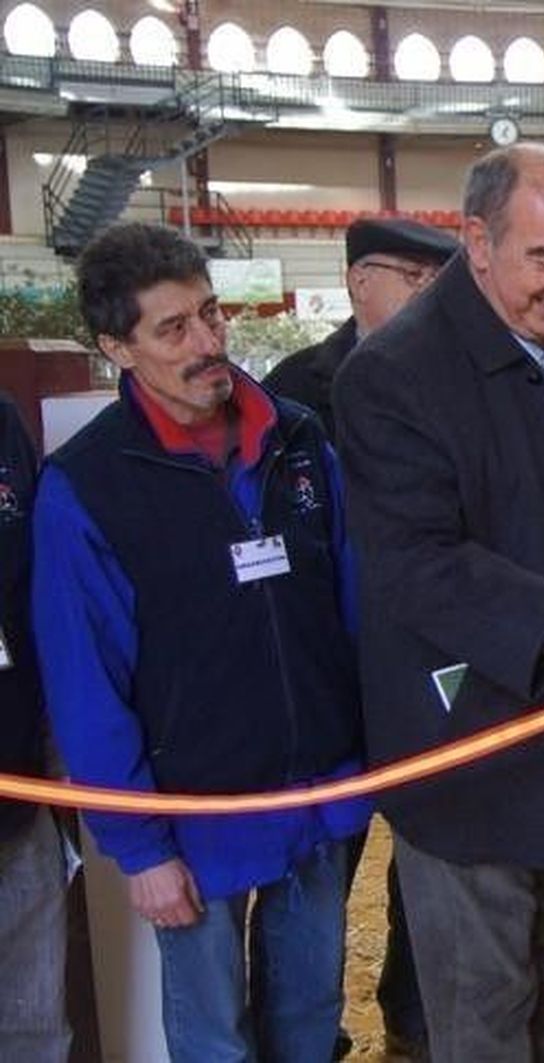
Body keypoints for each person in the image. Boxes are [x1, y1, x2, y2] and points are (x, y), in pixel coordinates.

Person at [332, 142, 544, 1061]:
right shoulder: (393, 376)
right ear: (475, 243)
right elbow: (415, 563)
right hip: (466, 752)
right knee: (481, 1000)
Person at [33, 222, 370, 1061]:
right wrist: (141, 848)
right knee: (213, 1033)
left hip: (317, 795)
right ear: (117, 345)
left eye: (211, 315)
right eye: (173, 328)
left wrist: (364, 754)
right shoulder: (86, 486)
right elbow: (85, 682)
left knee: (309, 1014)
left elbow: (354, 603)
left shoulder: (296, 437)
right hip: (194, 818)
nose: (208, 342)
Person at [265, 215, 455, 1061]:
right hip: (326, 673)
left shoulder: (456, 384)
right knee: (319, 865)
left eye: (435, 280)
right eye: (407, 277)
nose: (425, 295)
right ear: (355, 280)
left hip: (427, 667)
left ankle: (412, 1016)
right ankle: (305, 1027)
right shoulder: (291, 388)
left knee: (427, 860)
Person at [0, 391, 70, 1062]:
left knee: (34, 1026)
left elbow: (33, 588)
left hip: (18, 800)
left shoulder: (2, 421)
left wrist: (53, 747)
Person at [265, 216, 456, 442]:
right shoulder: (292, 387)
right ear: (360, 282)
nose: (429, 292)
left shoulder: (469, 375)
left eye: (439, 279)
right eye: (413, 274)